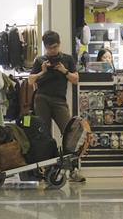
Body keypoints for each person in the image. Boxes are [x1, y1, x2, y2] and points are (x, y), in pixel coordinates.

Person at [28, 31, 85, 183]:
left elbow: (75, 79)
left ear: (59, 44)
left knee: (70, 133)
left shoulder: (67, 59)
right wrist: (42, 72)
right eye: (49, 48)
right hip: (42, 99)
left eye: (55, 47)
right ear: (45, 47)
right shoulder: (40, 60)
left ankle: (73, 170)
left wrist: (64, 70)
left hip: (60, 101)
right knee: (44, 135)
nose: (52, 50)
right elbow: (30, 80)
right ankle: (47, 169)